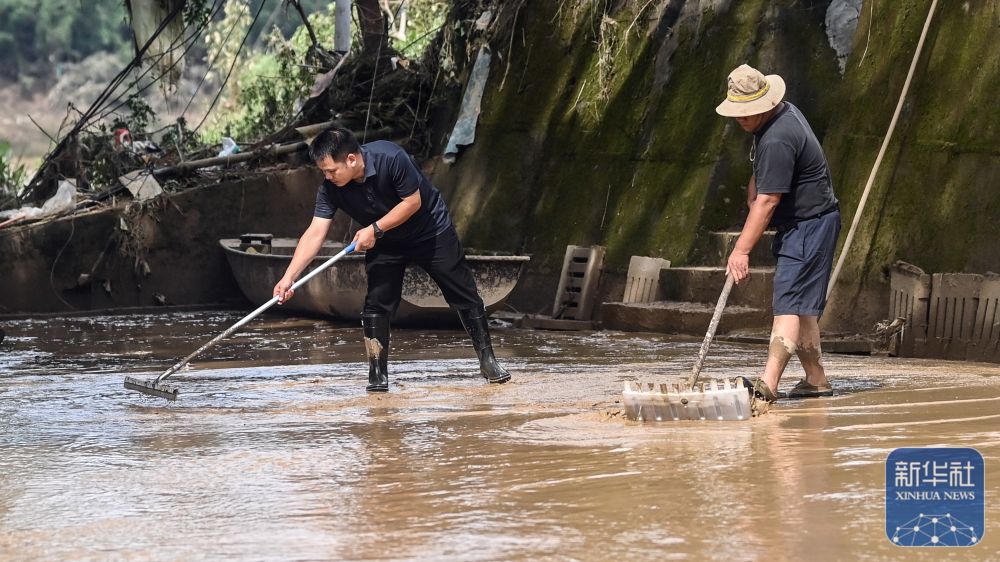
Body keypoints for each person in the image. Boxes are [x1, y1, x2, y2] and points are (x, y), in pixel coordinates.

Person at [272, 127, 511, 392]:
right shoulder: (331, 188)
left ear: (351, 159)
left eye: (331, 170)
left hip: (429, 230)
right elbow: (316, 231)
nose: (327, 177)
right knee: (377, 303)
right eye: (323, 172)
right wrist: (289, 277)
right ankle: (377, 375)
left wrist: (374, 229)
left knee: (463, 292)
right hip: (385, 240)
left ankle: (488, 361)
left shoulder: (391, 158)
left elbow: (412, 202)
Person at [715, 64, 841, 402]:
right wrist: (755, 194)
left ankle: (766, 385)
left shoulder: (778, 137)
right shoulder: (778, 117)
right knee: (801, 308)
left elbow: (769, 200)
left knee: (787, 303)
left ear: (766, 104)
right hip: (811, 222)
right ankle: (816, 380)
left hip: (808, 225)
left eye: (747, 112)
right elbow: (762, 181)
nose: (741, 119)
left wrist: (741, 251)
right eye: (738, 112)